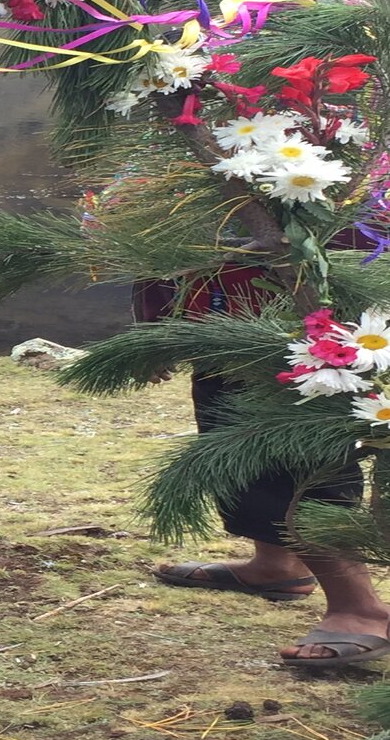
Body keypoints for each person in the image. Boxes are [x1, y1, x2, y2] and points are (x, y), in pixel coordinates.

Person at [139, 274, 389, 667]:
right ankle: (276, 565)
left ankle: (360, 608)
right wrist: (159, 326)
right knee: (233, 447)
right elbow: (156, 241)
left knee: (304, 465)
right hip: (216, 321)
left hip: (314, 332)